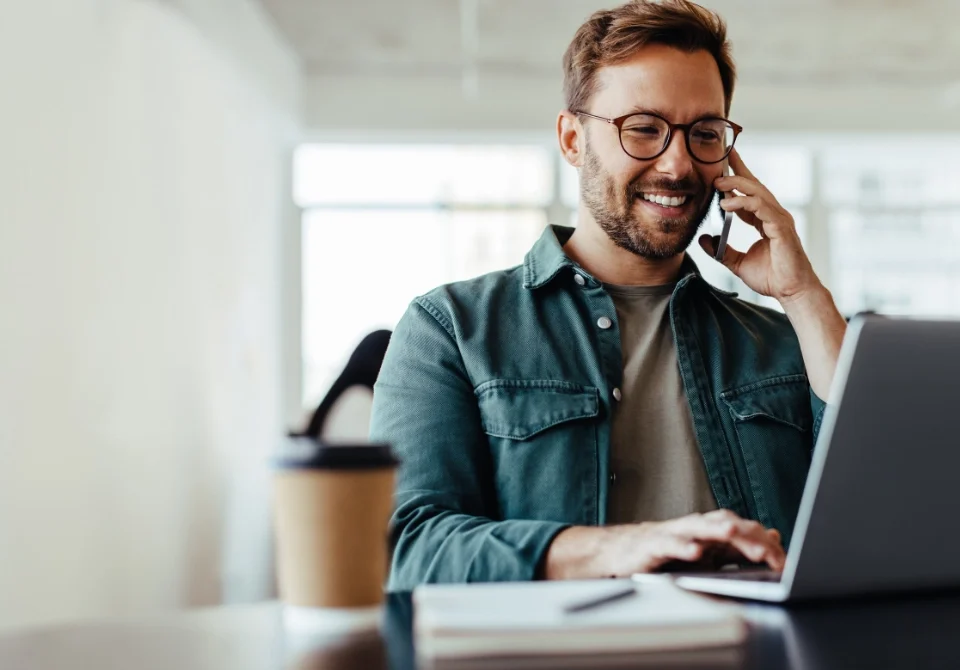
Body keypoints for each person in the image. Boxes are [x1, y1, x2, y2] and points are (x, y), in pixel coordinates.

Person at [370, 0, 848, 588]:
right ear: (573, 138)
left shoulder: (782, 341)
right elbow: (405, 546)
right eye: (643, 128)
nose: (677, 165)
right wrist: (621, 548)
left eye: (704, 133)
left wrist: (803, 295)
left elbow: (882, 508)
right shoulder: (451, 329)